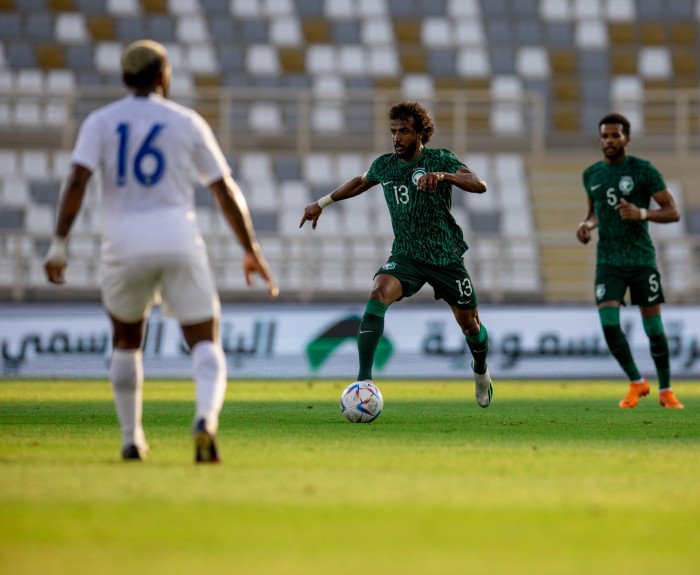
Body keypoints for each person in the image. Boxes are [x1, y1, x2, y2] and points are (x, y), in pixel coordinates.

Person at [44, 40, 279, 463]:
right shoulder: (186, 121)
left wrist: (59, 244)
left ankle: (132, 439)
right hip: (177, 241)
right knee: (205, 341)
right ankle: (205, 419)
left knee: (126, 341)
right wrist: (251, 249)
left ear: (124, 78)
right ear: (162, 77)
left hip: (122, 246)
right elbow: (224, 190)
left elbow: (76, 181)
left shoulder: (100, 122)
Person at [300, 101, 493, 407]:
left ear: (420, 133)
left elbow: (478, 184)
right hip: (406, 255)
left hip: (445, 256)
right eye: (393, 132)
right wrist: (322, 203)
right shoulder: (386, 165)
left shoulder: (440, 159)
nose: (397, 138)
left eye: (404, 131)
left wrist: (444, 176)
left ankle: (480, 370)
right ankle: (364, 382)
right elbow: (360, 183)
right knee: (377, 294)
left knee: (470, 325)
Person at [576, 113, 683, 409]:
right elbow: (595, 211)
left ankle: (666, 390)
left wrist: (642, 213)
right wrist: (586, 225)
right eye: (605, 136)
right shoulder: (591, 174)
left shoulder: (643, 170)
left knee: (654, 329)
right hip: (608, 260)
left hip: (640, 259)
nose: (609, 141)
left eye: (615, 135)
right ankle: (637, 381)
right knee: (609, 324)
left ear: (627, 139)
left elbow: (673, 211)